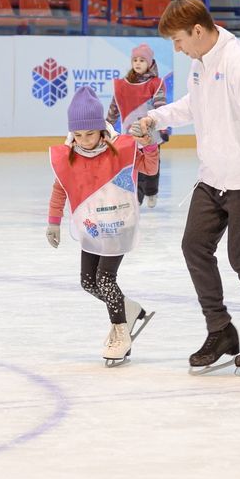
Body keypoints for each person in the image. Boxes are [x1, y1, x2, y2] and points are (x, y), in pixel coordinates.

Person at [134, 0, 240, 375]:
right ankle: (220, 330)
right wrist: (155, 117)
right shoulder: (201, 63)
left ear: (198, 31)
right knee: (194, 247)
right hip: (213, 177)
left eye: (178, 40)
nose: (177, 49)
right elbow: (193, 105)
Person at [46, 87, 154, 367]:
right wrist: (53, 221)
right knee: (88, 281)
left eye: (90, 134)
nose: (84, 141)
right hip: (93, 226)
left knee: (106, 280)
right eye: (78, 135)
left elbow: (150, 169)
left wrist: (150, 145)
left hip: (119, 224)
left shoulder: (121, 150)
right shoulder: (70, 154)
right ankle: (127, 308)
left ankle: (120, 331)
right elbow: (60, 189)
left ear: (102, 130)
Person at [107, 43, 168, 208]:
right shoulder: (122, 85)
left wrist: (163, 128)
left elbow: (161, 106)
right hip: (130, 134)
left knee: (152, 168)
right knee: (136, 167)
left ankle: (152, 192)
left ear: (149, 63)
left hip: (151, 134)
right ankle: (136, 200)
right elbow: (114, 107)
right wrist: (107, 125)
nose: (138, 63)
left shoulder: (156, 83)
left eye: (142, 60)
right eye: (135, 60)